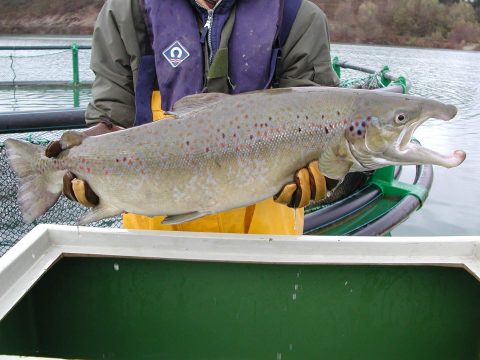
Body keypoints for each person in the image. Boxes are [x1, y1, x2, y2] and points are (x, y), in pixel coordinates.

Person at [47, 0, 340, 235]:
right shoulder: (126, 13)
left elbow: (321, 126)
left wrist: (327, 175)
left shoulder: (298, 18)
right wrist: (82, 160)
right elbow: (110, 117)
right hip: (154, 233)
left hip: (265, 234)